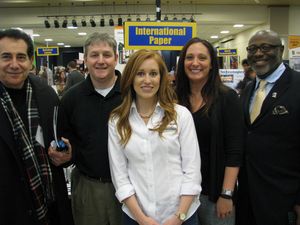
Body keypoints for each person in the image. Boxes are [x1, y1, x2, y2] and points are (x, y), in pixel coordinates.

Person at [108, 49, 201, 225]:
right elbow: (120, 177)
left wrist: (178, 217)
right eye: (140, 74)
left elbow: (192, 172)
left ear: (161, 78)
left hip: (182, 215)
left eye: (153, 73)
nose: (147, 80)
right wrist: (142, 219)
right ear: (130, 78)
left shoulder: (180, 115)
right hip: (136, 217)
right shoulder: (117, 121)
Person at [0, 29, 73, 225]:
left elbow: (63, 138)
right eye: (6, 57)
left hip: (50, 207)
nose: (14, 64)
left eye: (21, 57)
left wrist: (66, 155)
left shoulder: (46, 94)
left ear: (31, 61)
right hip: (8, 210)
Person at [48, 32, 122, 225]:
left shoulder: (133, 93)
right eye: (94, 55)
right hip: (88, 187)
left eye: (106, 54)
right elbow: (65, 144)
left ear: (116, 58)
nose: (101, 61)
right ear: (85, 60)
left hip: (132, 186)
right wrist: (63, 156)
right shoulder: (71, 99)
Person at [175, 37, 244, 225]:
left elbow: (235, 152)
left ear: (212, 64)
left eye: (202, 58)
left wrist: (227, 195)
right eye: (189, 58)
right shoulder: (173, 99)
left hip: (213, 195)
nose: (195, 63)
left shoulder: (227, 98)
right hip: (180, 194)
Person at [236, 30, 300, 225]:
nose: (258, 53)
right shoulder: (248, 90)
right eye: (252, 49)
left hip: (284, 198)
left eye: (266, 47)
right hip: (248, 196)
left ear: (281, 50)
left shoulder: (297, 86)